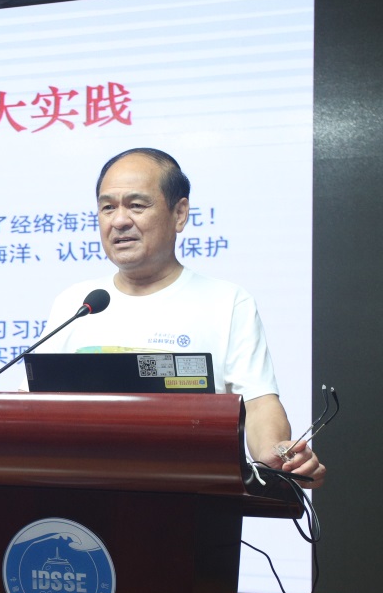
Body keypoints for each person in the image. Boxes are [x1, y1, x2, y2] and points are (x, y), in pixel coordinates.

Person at [34, 147, 326, 488]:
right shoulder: (75, 304)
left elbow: (259, 403)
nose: (119, 220)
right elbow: (33, 403)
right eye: (107, 207)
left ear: (180, 213)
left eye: (136, 205)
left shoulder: (227, 302)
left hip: (196, 500)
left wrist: (277, 455)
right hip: (83, 499)